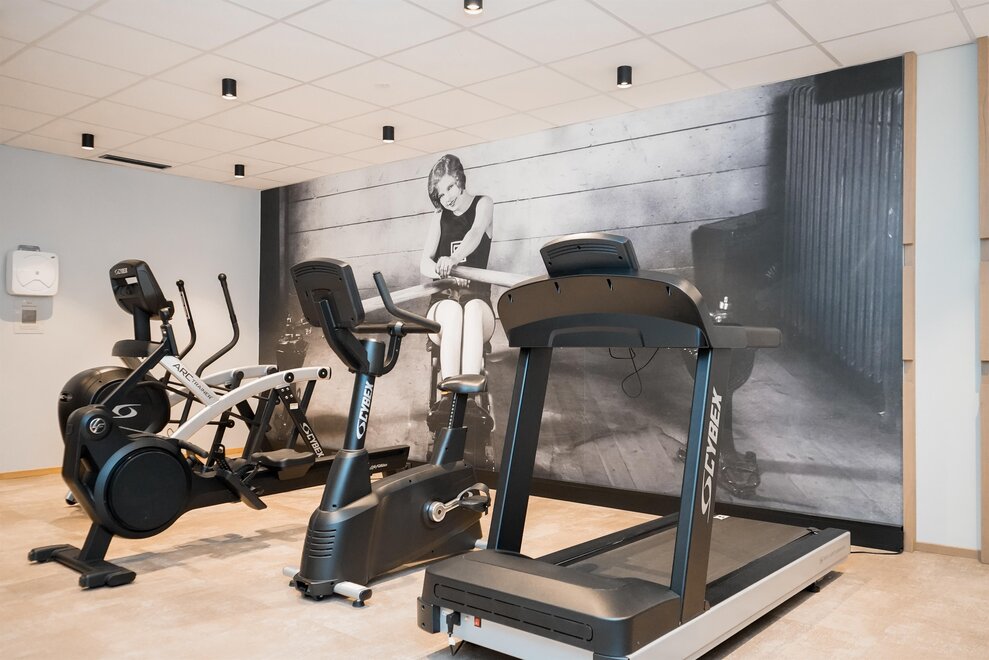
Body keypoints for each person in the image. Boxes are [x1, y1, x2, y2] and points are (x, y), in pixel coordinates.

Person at [419, 154, 495, 384]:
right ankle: (449, 392)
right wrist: (444, 271)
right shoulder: (439, 217)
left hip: (478, 301)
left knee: (471, 311)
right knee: (453, 311)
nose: (447, 198)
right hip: (443, 302)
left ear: (460, 179)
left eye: (450, 188)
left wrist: (453, 259)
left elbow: (475, 233)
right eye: (440, 195)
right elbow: (424, 263)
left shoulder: (484, 204)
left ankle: (468, 395)